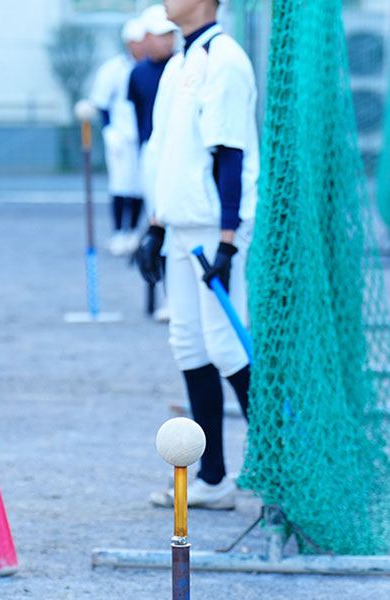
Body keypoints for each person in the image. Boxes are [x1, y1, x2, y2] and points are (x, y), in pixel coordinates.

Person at [137, 0, 258, 509]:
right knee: (188, 343)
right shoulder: (181, 60)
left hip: (214, 227)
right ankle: (213, 479)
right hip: (182, 225)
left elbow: (229, 153)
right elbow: (168, 152)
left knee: (228, 344)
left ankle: (282, 464)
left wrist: (228, 242)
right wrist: (157, 228)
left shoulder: (224, 57)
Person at [127, 4, 178, 322]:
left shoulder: (182, 66)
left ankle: (177, 296)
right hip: (151, 151)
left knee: (177, 221)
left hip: (178, 152)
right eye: (160, 35)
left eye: (170, 34)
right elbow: (137, 116)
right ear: (147, 37)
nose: (167, 41)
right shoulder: (138, 73)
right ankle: (163, 291)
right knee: (157, 219)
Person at [89, 17, 147, 257]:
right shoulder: (114, 69)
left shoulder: (151, 68)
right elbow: (101, 102)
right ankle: (119, 232)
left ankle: (134, 231)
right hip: (121, 137)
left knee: (140, 186)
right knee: (120, 184)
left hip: (143, 136)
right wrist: (109, 130)